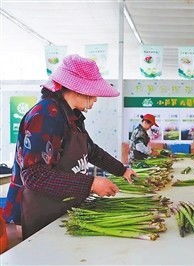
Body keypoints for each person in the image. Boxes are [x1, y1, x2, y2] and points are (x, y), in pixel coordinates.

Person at [2, 54, 136, 239]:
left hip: (61, 207)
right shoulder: (46, 115)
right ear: (76, 88)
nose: (96, 99)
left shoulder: (71, 116)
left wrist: (122, 170)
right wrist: (91, 184)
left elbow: (91, 150)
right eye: (93, 92)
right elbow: (34, 175)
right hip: (40, 213)